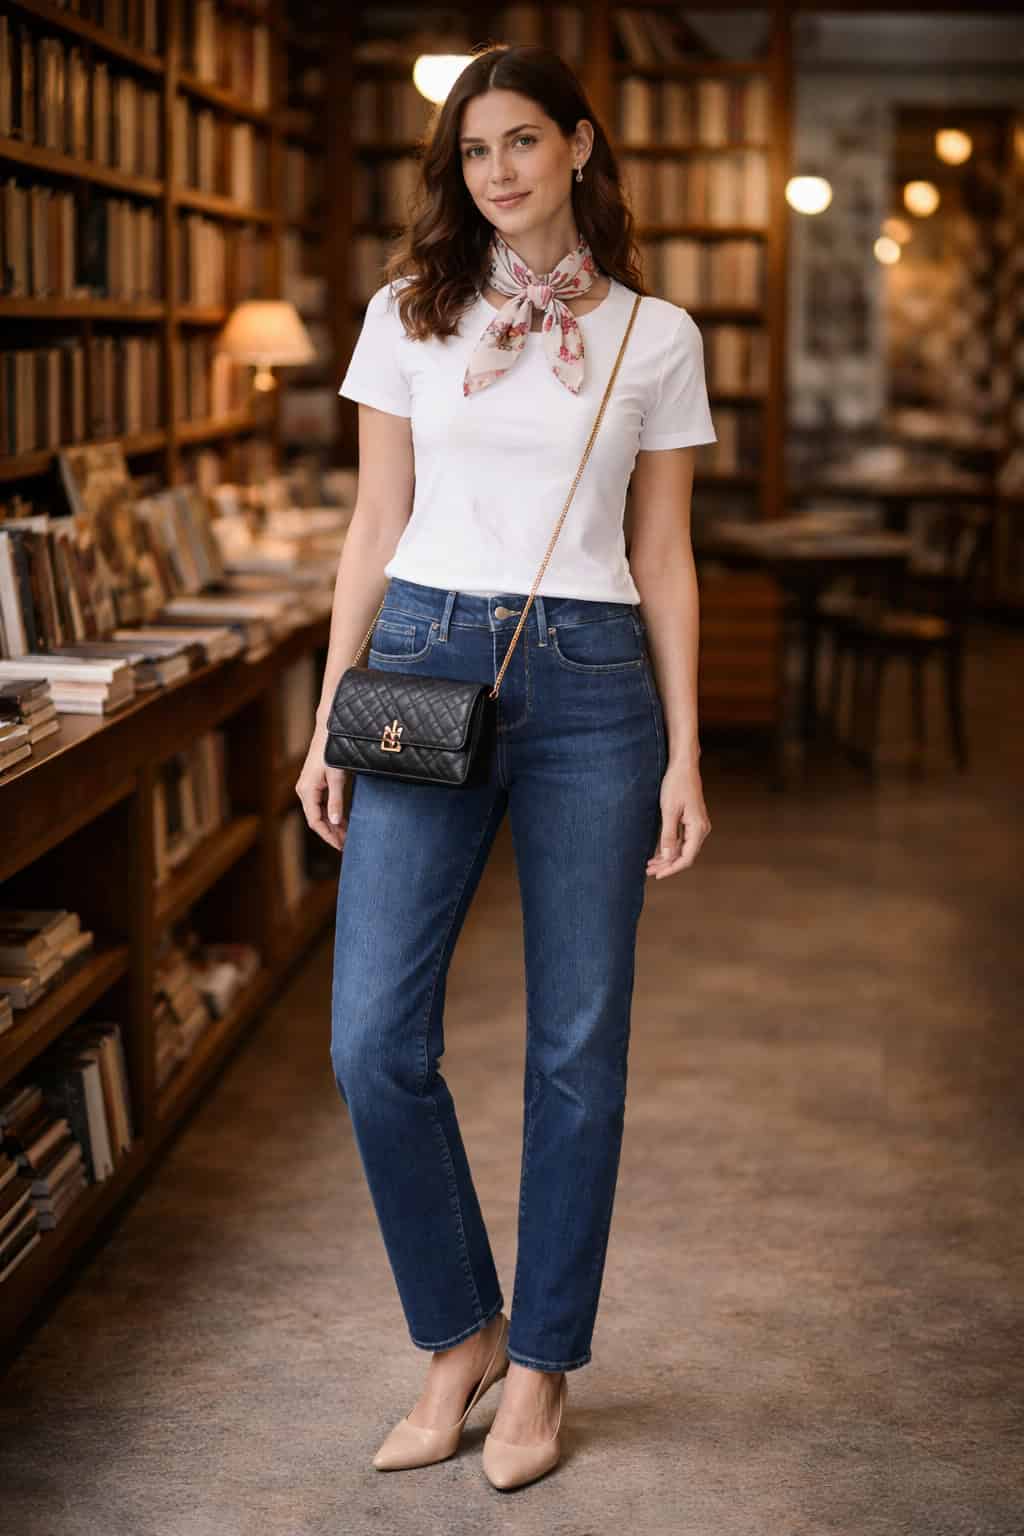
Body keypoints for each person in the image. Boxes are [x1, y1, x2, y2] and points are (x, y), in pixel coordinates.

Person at [296, 42, 715, 1491]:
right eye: (476, 152)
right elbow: (373, 524)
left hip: (596, 686)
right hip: (417, 660)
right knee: (371, 1041)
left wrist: (687, 751)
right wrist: (324, 711)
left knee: (576, 1053)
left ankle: (540, 1369)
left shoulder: (657, 334)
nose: (500, 172)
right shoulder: (407, 314)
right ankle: (457, 1331)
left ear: (581, 149)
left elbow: (662, 552)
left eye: (525, 142)